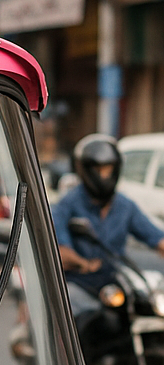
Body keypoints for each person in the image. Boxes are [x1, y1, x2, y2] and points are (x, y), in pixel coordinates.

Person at [53, 134, 164, 317]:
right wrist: (83, 263)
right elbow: (60, 251)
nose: (104, 175)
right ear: (85, 170)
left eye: (108, 169)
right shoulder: (68, 203)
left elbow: (156, 237)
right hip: (80, 282)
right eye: (98, 170)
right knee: (68, 313)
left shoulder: (125, 206)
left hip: (115, 281)